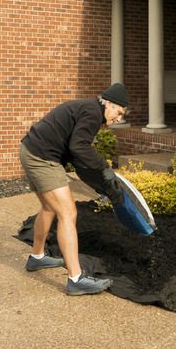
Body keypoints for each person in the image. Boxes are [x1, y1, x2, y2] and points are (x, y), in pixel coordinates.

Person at [19, 83, 128, 295]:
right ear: (108, 103)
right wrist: (105, 167)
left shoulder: (88, 109)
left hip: (30, 149)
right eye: (119, 112)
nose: (119, 118)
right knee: (68, 213)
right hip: (42, 157)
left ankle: (37, 257)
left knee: (49, 208)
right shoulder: (92, 113)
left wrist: (100, 182)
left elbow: (77, 154)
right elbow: (79, 147)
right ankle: (76, 278)